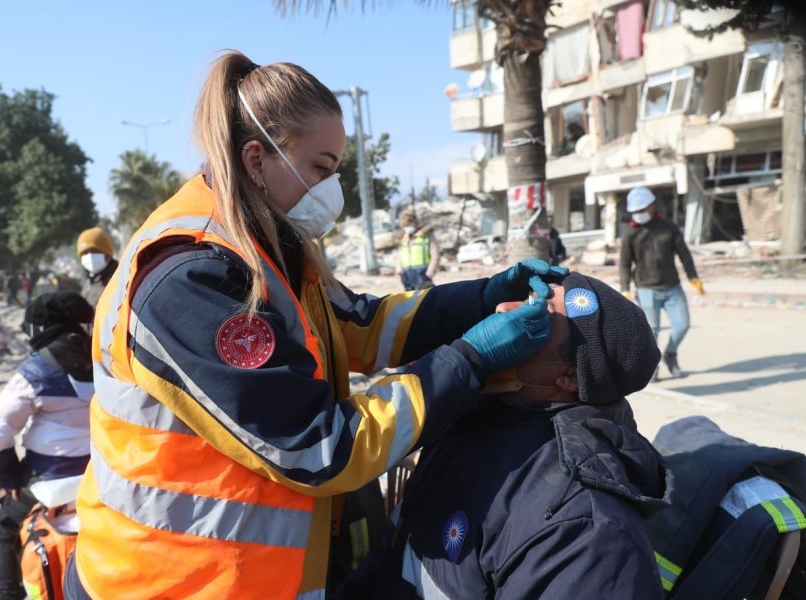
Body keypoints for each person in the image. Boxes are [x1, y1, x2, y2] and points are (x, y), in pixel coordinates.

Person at [62, 50, 568, 600]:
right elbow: (321, 447)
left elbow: (360, 325)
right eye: (321, 168)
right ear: (257, 160)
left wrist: (481, 297)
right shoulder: (192, 277)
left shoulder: (267, 248)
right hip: (169, 579)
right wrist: (469, 360)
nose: (333, 190)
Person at [337, 272, 671, 599]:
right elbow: (392, 555)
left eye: (538, 316)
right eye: (527, 299)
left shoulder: (582, 527)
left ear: (569, 376)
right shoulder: (470, 419)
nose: (502, 310)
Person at [0, 292, 94, 600]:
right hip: (103, 479)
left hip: (50, 482)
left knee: (7, 524)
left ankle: (9, 593)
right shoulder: (105, 355)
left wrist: (7, 477)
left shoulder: (35, 371)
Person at [620, 186, 703, 379]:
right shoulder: (630, 235)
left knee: (682, 324)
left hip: (672, 287)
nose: (639, 214)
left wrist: (693, 276)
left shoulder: (669, 228)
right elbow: (624, 264)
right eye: (635, 211)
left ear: (651, 206)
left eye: (642, 210)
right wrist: (625, 288)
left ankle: (670, 354)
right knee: (652, 331)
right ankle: (653, 365)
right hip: (646, 288)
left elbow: (684, 253)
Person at [396, 210, 440, 291]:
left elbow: (435, 255)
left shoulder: (427, 236)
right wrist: (399, 269)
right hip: (407, 275)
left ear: (415, 222)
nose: (407, 227)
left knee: (424, 301)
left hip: (422, 274)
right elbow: (400, 255)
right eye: (405, 226)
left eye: (409, 225)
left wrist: (429, 273)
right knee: (410, 301)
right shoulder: (403, 238)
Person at [75, 227, 119, 307]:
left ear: (107, 254)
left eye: (94, 251)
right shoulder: (89, 281)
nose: (90, 256)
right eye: (85, 252)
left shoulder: (118, 281)